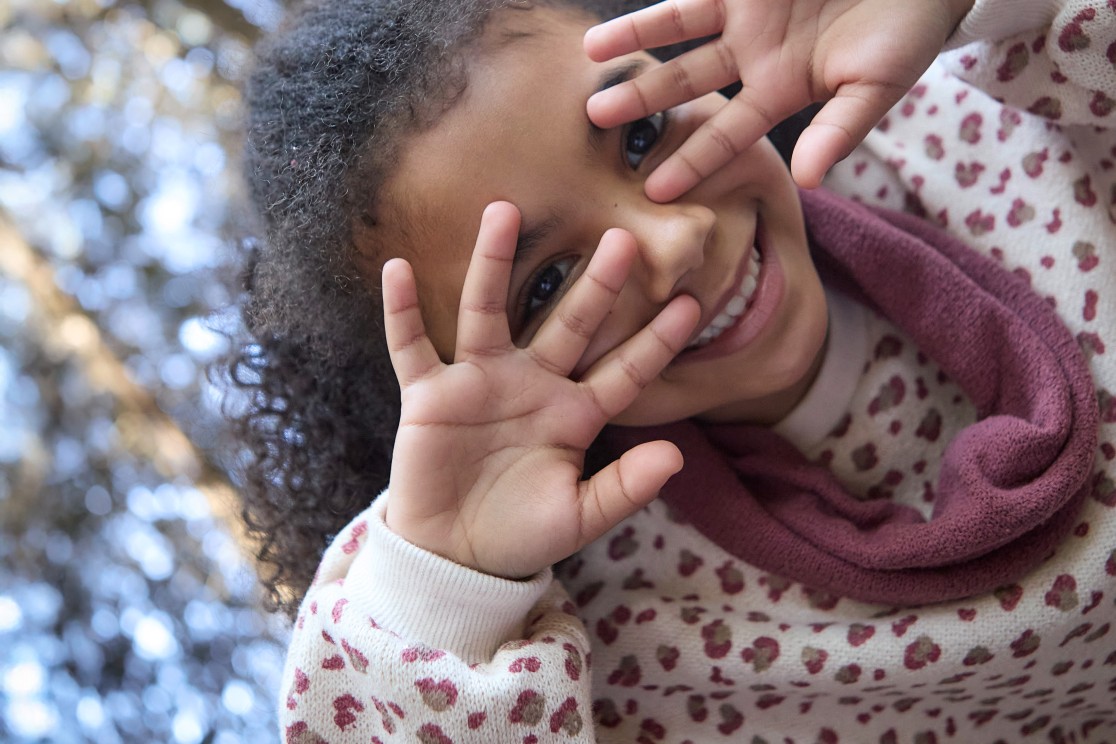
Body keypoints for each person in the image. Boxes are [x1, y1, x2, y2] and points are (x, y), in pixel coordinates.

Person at [231, 0, 1116, 740]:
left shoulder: (989, 104)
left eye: (640, 131)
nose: (675, 239)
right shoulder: (615, 653)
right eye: (546, 284)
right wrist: (452, 589)